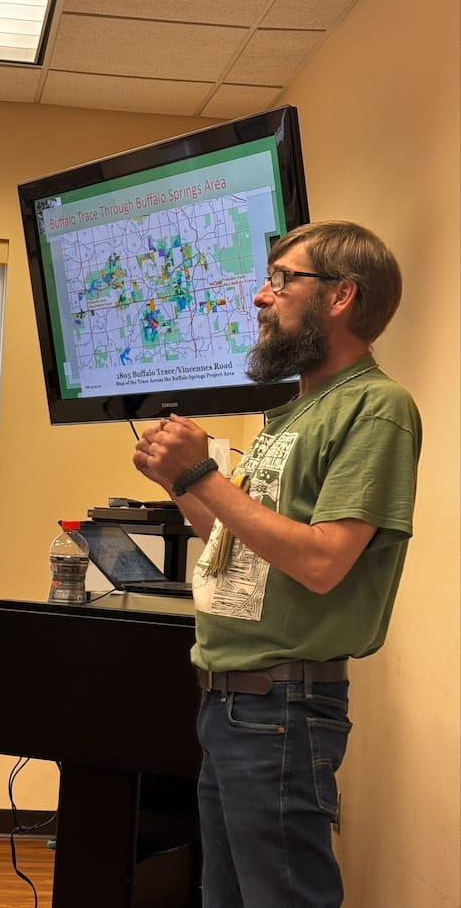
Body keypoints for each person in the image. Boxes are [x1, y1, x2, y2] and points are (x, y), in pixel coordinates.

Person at [132, 220, 422, 908]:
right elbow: (243, 548)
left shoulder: (377, 408)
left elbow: (322, 563)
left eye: (283, 278)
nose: (263, 296)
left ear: (342, 295)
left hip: (283, 708)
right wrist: (182, 483)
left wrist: (202, 473)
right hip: (230, 702)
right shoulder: (289, 415)